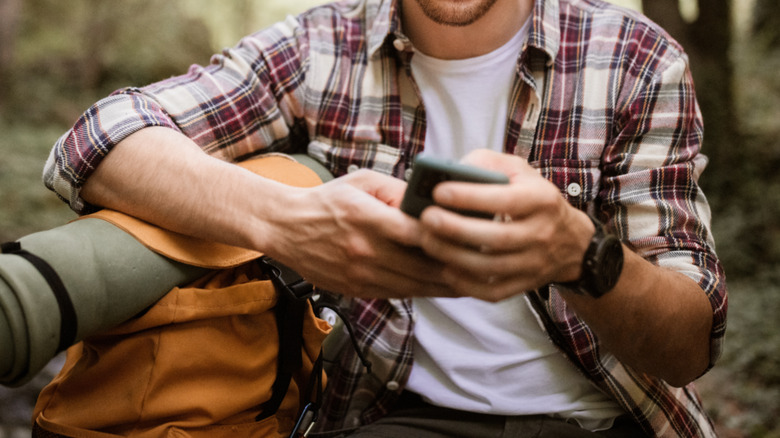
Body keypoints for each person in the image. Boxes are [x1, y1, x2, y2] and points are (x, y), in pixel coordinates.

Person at [42, 0, 728, 436]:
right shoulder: (321, 45)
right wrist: (286, 220)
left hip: (603, 420)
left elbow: (688, 346)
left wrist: (584, 256)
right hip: (391, 418)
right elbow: (97, 140)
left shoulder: (636, 58)